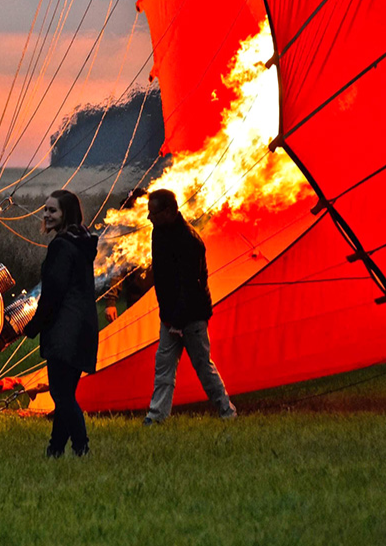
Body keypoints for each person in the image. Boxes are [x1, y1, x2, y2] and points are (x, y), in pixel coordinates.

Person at [143, 189, 235, 425]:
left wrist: (178, 321)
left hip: (192, 318)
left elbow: (191, 287)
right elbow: (163, 280)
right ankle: (156, 417)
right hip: (170, 317)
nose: (149, 217)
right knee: (163, 367)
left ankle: (227, 411)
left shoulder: (189, 241)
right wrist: (168, 318)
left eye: (153, 213)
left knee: (203, 366)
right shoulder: (159, 232)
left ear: (169, 211)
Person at [23, 189, 99, 458]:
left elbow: (53, 292)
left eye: (52, 210)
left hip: (65, 328)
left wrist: (33, 326)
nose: (46, 215)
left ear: (66, 213)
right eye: (45, 209)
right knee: (65, 392)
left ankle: (81, 446)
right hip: (84, 326)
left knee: (61, 395)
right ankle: (55, 449)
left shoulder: (61, 246)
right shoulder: (82, 242)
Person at [102, 189, 152, 323]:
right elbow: (117, 271)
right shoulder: (126, 239)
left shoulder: (160, 232)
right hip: (136, 300)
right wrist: (111, 302)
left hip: (160, 299)